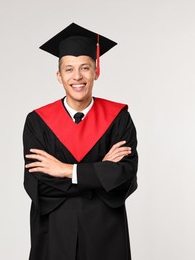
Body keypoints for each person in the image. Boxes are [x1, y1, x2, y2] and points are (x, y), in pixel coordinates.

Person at [23, 23, 138, 260]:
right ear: (59, 76)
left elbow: (123, 176)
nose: (77, 77)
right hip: (55, 232)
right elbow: (38, 184)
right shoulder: (37, 122)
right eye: (69, 69)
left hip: (105, 234)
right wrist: (100, 172)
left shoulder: (118, 118)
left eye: (85, 68)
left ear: (96, 72)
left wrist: (66, 171)